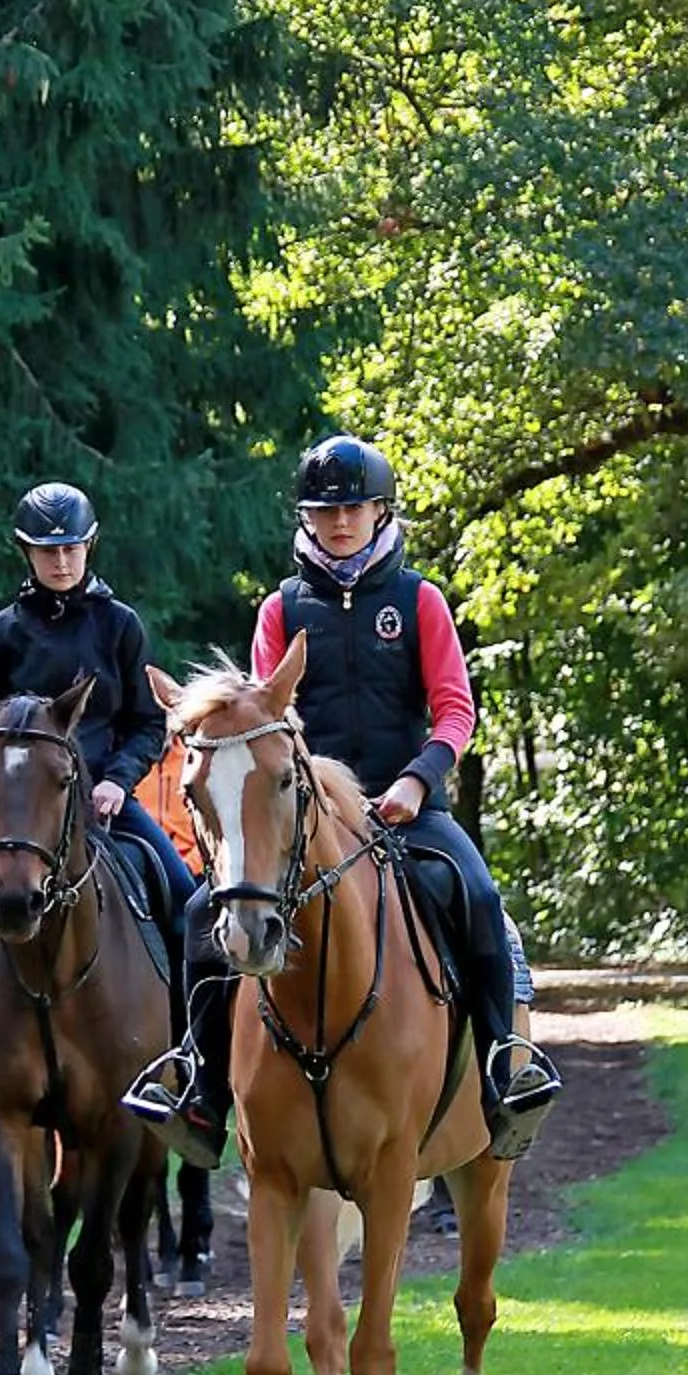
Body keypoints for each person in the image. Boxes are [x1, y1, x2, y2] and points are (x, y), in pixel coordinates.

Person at [121, 432, 562, 1166]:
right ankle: (201, 1092)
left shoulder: (419, 600)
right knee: (202, 912)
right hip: (305, 812)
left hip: (408, 803)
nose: (340, 522)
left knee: (477, 894)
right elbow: (265, 716)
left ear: (381, 511)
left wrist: (418, 779)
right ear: (307, 518)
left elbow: (456, 710)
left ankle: (499, 1073)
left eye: (355, 508)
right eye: (326, 511)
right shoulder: (281, 607)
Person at [0, 481, 194, 1095]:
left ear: (90, 547)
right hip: (16, 811)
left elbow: (146, 722)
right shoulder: (2, 631)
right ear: (25, 553)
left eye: (72, 549)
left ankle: (187, 1051)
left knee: (185, 901)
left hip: (103, 801)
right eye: (47, 550)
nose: (61, 561)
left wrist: (117, 781)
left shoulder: (120, 625)